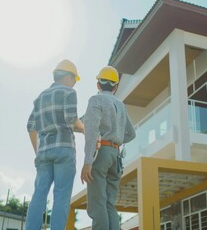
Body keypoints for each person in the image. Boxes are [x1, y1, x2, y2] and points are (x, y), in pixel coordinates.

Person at [25, 59, 84, 230]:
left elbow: (30, 127)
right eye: (74, 79)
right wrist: (85, 128)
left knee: (39, 195)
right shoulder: (69, 93)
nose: (74, 83)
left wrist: (39, 152)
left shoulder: (39, 98)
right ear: (67, 76)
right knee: (61, 197)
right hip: (64, 150)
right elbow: (72, 120)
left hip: (43, 153)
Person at [81, 66, 136, 229]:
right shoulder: (121, 105)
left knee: (97, 203)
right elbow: (131, 134)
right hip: (116, 156)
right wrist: (116, 140)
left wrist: (88, 161)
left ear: (98, 84)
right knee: (109, 203)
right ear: (116, 87)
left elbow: (91, 131)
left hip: (101, 153)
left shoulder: (96, 100)